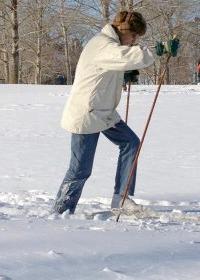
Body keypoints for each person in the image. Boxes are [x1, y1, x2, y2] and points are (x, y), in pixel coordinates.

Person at [53, 11, 155, 215]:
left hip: (104, 111)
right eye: (134, 36)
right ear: (124, 31)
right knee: (80, 169)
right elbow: (123, 56)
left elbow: (113, 65)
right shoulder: (102, 45)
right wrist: (157, 53)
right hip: (87, 113)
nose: (135, 41)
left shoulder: (110, 45)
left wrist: (125, 73)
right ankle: (61, 211)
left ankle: (122, 198)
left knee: (131, 143)